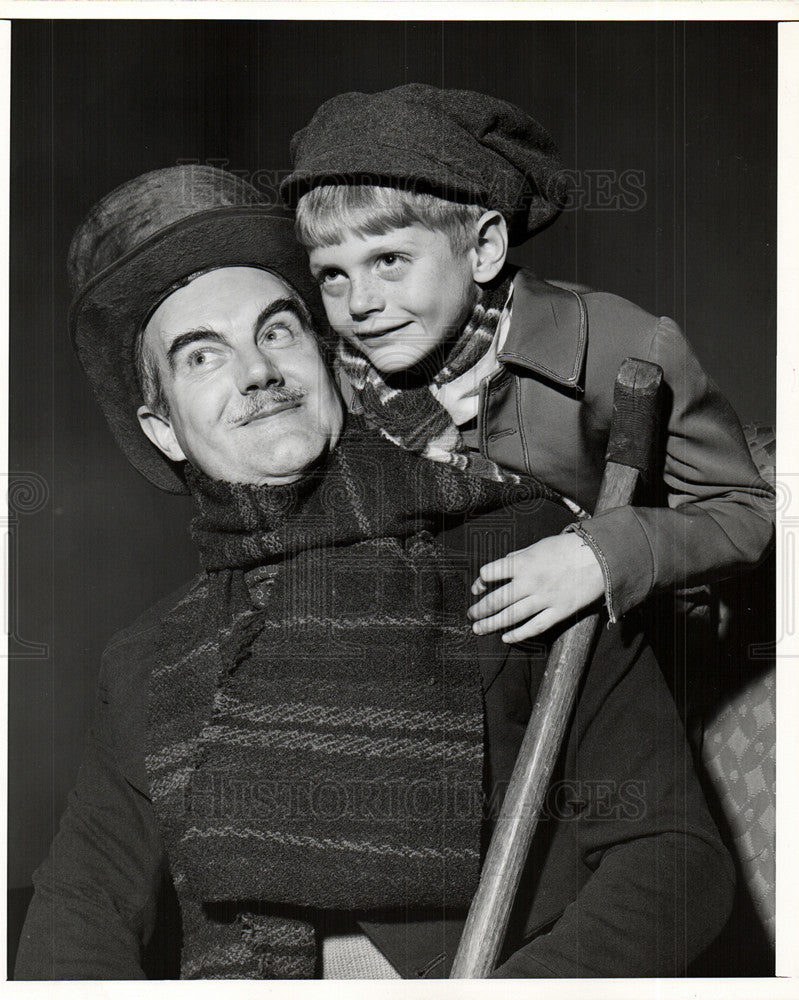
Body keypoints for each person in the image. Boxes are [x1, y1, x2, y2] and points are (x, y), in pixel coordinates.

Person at [15, 165, 734, 981]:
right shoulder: (146, 659)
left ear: (327, 361)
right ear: (164, 428)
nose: (257, 371)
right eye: (202, 356)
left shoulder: (533, 553)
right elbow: (78, 919)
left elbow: (673, 861)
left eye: (278, 331)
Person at [280, 83, 774, 644]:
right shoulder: (340, 383)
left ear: (484, 248)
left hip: (620, 646)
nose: (361, 304)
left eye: (389, 259)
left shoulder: (619, 344)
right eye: (332, 275)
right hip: (441, 649)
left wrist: (601, 556)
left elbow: (747, 514)